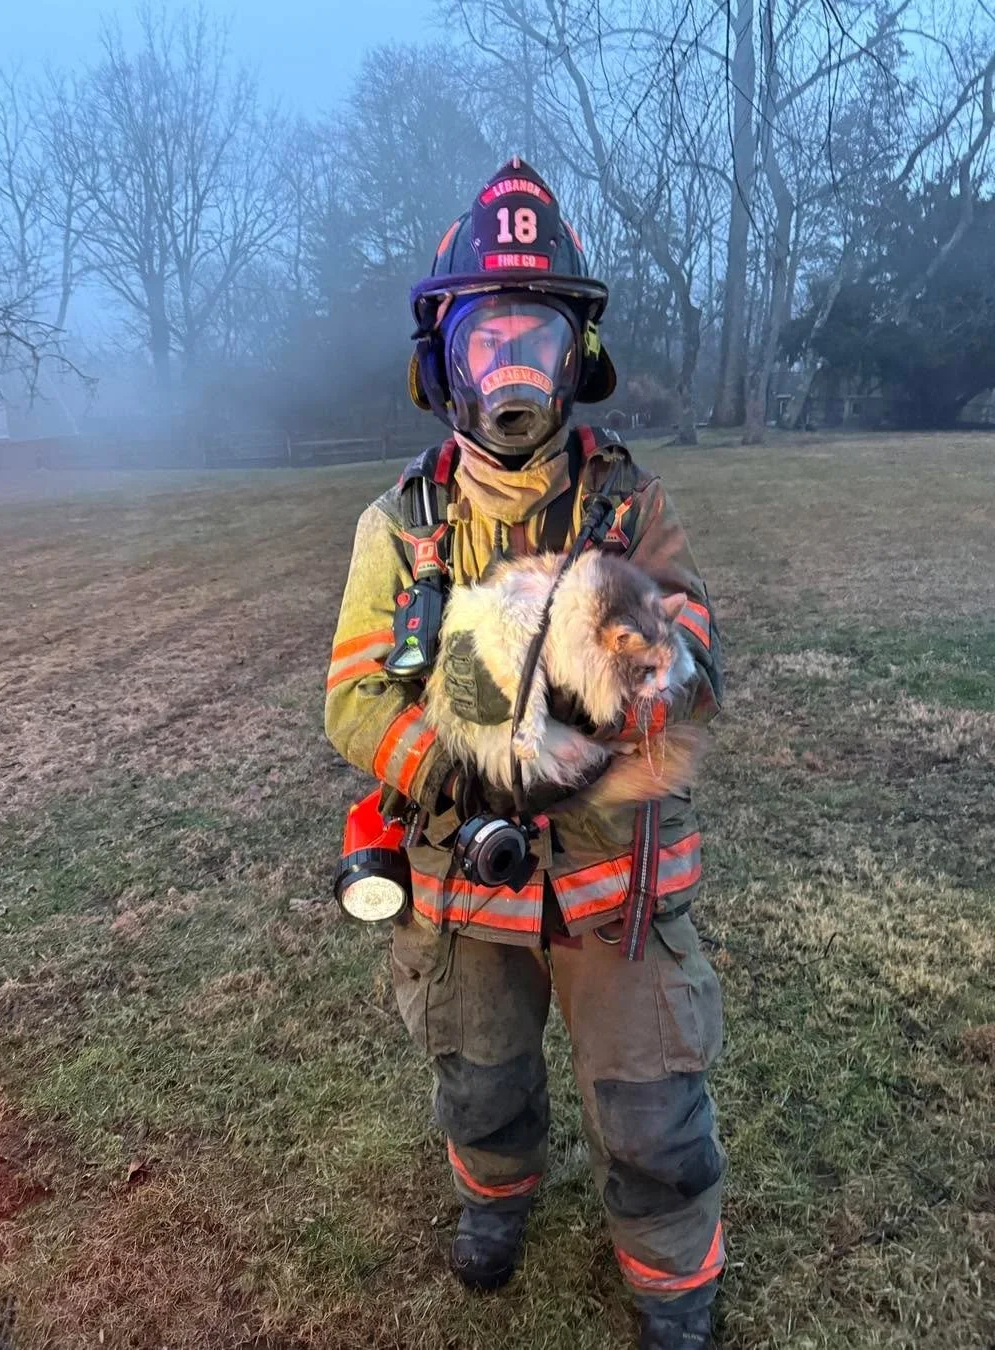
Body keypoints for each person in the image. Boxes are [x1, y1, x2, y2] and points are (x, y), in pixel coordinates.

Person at [325, 158, 726, 1350]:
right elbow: (351, 696)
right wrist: (457, 760)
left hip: (618, 882)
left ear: (576, 357)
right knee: (479, 1078)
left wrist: (626, 669)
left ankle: (676, 1292)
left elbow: (694, 645)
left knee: (653, 1106)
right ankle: (494, 1205)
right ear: (440, 362)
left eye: (534, 340)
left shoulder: (631, 504)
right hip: (461, 878)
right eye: (486, 339)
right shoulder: (398, 526)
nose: (512, 372)